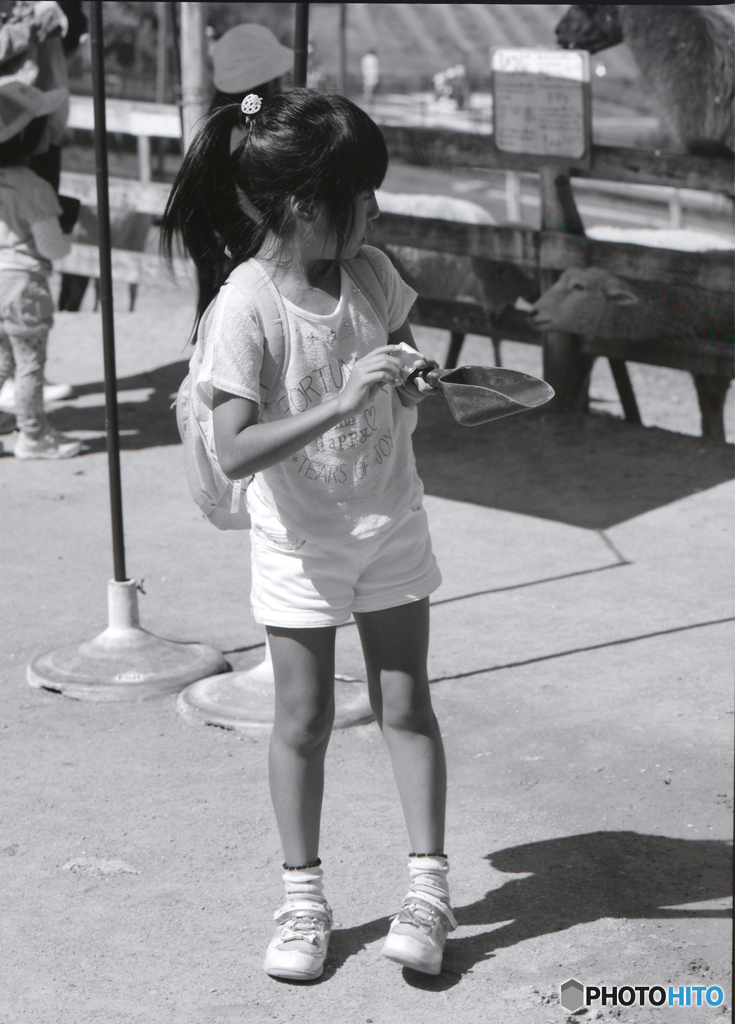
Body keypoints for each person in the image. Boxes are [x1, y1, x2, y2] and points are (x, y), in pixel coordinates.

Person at [160, 88, 456, 980]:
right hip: (298, 545)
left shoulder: (373, 273)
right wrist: (340, 399)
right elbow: (235, 446)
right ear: (300, 204)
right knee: (304, 718)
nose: (376, 207)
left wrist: (413, 382)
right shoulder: (245, 306)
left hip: (391, 523)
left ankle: (428, 893)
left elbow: (394, 364)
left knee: (406, 706)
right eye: (361, 193)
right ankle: (302, 902)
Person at [0, 78, 81, 459]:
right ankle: (32, 433)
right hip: (23, 282)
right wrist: (66, 228)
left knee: (1, 362)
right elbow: (53, 247)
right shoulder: (34, 187)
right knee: (29, 363)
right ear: (29, 138)